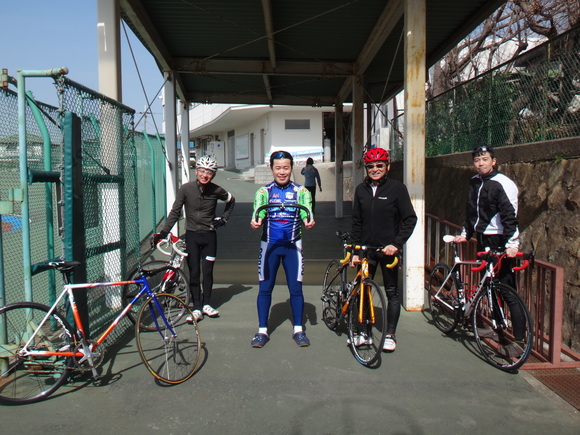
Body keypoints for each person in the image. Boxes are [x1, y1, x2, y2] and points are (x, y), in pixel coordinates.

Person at [453, 145, 525, 357]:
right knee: (490, 286)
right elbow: (471, 210)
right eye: (477, 160)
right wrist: (466, 233)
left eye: (485, 159)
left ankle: (519, 341)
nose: (481, 163)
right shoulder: (475, 182)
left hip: (500, 240)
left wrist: (512, 245)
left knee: (507, 290)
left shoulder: (503, 184)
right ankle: (497, 328)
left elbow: (510, 215)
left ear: (494, 161)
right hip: (482, 238)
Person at [154, 156, 235, 321]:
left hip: (209, 236)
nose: (205, 175)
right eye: (202, 171)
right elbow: (175, 212)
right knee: (194, 272)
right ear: (196, 171)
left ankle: (206, 304)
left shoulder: (216, 190)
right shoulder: (186, 189)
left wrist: (224, 219)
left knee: (207, 272)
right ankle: (196, 307)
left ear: (213, 174)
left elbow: (231, 201)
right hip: (192, 236)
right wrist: (163, 233)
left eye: (209, 172)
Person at [351, 147, 417, 352]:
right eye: (370, 166)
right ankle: (365, 333)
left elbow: (410, 219)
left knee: (391, 293)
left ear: (387, 167)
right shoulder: (361, 190)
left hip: (388, 250)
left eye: (379, 165)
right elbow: (356, 222)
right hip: (366, 250)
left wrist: (396, 244)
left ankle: (390, 334)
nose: (375, 169)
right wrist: (355, 250)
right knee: (364, 290)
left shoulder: (397, 189)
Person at [249, 150, 315, 348]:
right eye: (278, 168)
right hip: (269, 247)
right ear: (272, 169)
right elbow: (256, 216)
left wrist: (309, 222)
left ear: (291, 168)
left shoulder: (301, 192)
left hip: (293, 247)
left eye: (286, 168)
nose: (282, 172)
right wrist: (255, 222)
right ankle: (262, 331)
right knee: (265, 288)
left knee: (295, 288)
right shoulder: (263, 192)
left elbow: (308, 216)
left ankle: (298, 330)